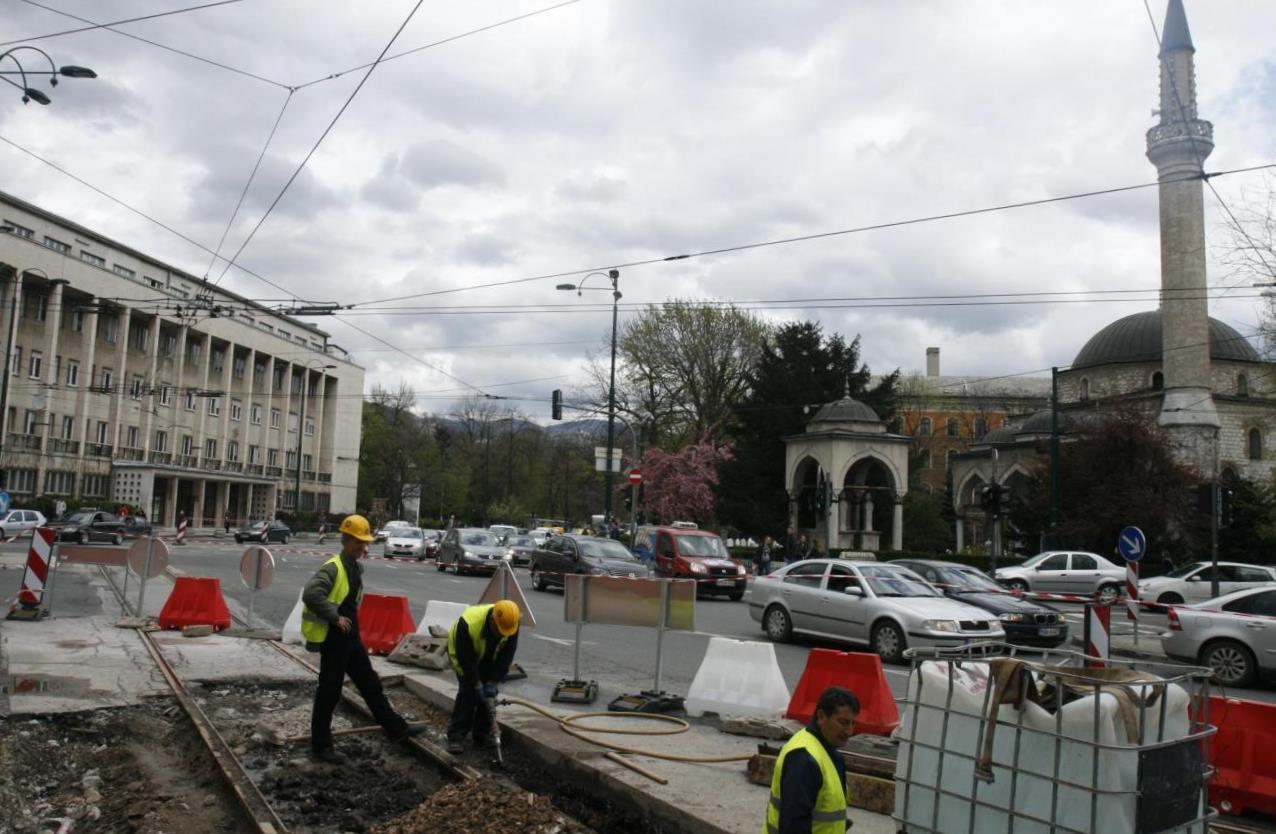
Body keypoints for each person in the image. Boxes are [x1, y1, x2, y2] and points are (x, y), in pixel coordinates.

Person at [301, 513, 422, 764]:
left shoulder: (354, 566)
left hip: (349, 636)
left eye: (365, 542)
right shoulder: (334, 567)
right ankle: (321, 747)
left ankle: (396, 729)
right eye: (358, 542)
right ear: (346, 540)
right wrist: (334, 617)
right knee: (330, 691)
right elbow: (312, 594)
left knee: (369, 683)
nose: (363, 547)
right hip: (334, 638)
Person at [765, 686, 860, 834]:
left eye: (853, 723)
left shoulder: (827, 751)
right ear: (821, 717)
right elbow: (794, 825)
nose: (849, 731)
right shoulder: (804, 759)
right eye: (843, 722)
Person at [445, 600, 521, 755]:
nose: (502, 634)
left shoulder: (510, 623)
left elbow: (507, 656)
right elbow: (466, 659)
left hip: (488, 658)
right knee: (468, 694)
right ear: (493, 619)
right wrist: (476, 683)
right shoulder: (469, 623)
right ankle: (456, 737)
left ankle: (481, 735)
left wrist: (493, 681)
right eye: (499, 630)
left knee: (489, 698)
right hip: (464, 656)